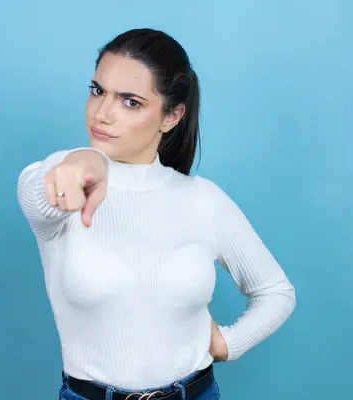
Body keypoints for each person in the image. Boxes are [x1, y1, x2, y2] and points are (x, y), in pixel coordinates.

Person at [17, 28, 296, 400]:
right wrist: (83, 162)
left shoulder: (203, 199)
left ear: (171, 117)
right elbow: (42, 194)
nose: (102, 113)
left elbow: (276, 292)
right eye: (97, 90)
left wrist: (229, 342)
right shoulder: (61, 177)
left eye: (130, 101)